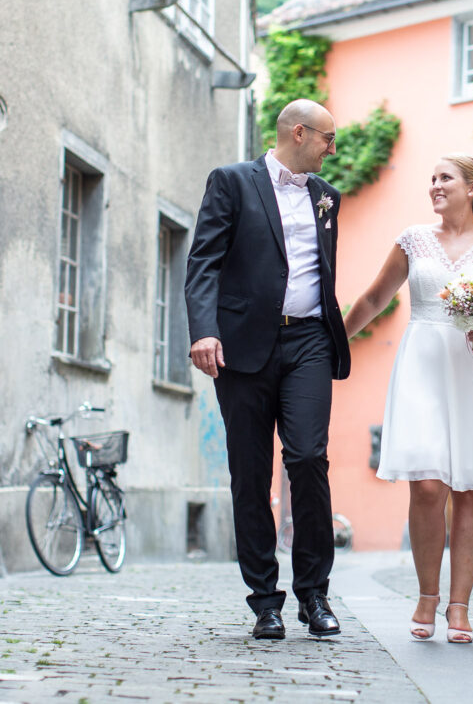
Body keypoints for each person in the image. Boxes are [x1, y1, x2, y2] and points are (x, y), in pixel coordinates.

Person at [343, 154, 473, 644]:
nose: (434, 185)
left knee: (472, 488)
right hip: (423, 366)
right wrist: (334, 341)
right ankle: (426, 595)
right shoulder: (413, 240)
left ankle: (459, 607)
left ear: (472, 188)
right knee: (428, 486)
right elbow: (372, 299)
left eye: (444, 178)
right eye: (430, 178)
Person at [184, 99, 352, 640]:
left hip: (309, 341)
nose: (333, 147)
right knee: (251, 474)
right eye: (327, 138)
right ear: (298, 133)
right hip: (242, 347)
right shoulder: (232, 182)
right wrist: (203, 330)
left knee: (307, 458)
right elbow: (203, 261)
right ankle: (265, 601)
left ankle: (315, 595)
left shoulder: (327, 198)